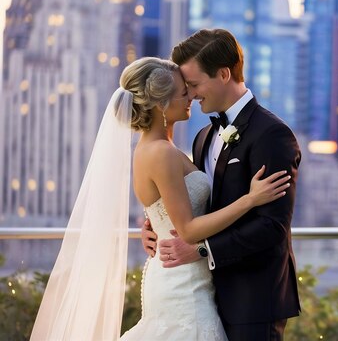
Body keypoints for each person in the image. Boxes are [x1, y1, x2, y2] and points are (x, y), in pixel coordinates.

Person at [30, 57, 290, 340]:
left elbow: (169, 208)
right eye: (183, 92)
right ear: (160, 105)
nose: (190, 96)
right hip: (182, 285)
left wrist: (155, 222)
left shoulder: (164, 147)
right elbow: (189, 230)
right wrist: (250, 200)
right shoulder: (161, 153)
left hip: (186, 277)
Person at [141, 29, 301, 340]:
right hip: (203, 296)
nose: (190, 93)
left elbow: (272, 226)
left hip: (251, 299)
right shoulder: (203, 137)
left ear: (224, 74)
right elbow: (200, 203)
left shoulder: (272, 135)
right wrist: (157, 223)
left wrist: (202, 250)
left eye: (194, 84)